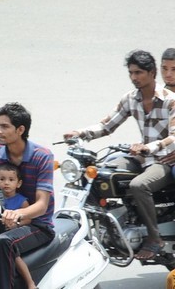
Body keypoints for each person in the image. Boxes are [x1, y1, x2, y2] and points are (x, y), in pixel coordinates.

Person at [64, 50, 175, 261]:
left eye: (139, 72)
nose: (134, 77)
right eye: (131, 73)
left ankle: (154, 238)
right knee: (100, 172)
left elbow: (174, 136)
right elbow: (107, 125)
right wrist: (81, 133)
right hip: (141, 157)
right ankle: (108, 226)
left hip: (164, 160)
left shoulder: (170, 100)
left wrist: (149, 147)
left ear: (152, 73)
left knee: (138, 185)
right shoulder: (130, 99)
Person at [0, 102, 55, 289]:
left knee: (5, 241)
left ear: (20, 129)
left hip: (38, 225)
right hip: (3, 220)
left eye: (5, 126)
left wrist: (17, 214)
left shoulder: (42, 156)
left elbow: (42, 205)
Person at [0, 163, 37, 289]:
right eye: (2, 179)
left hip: (11, 233)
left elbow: (28, 219)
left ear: (18, 183)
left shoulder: (21, 200)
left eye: (11, 180)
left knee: (15, 256)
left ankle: (30, 283)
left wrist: (16, 224)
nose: (6, 183)